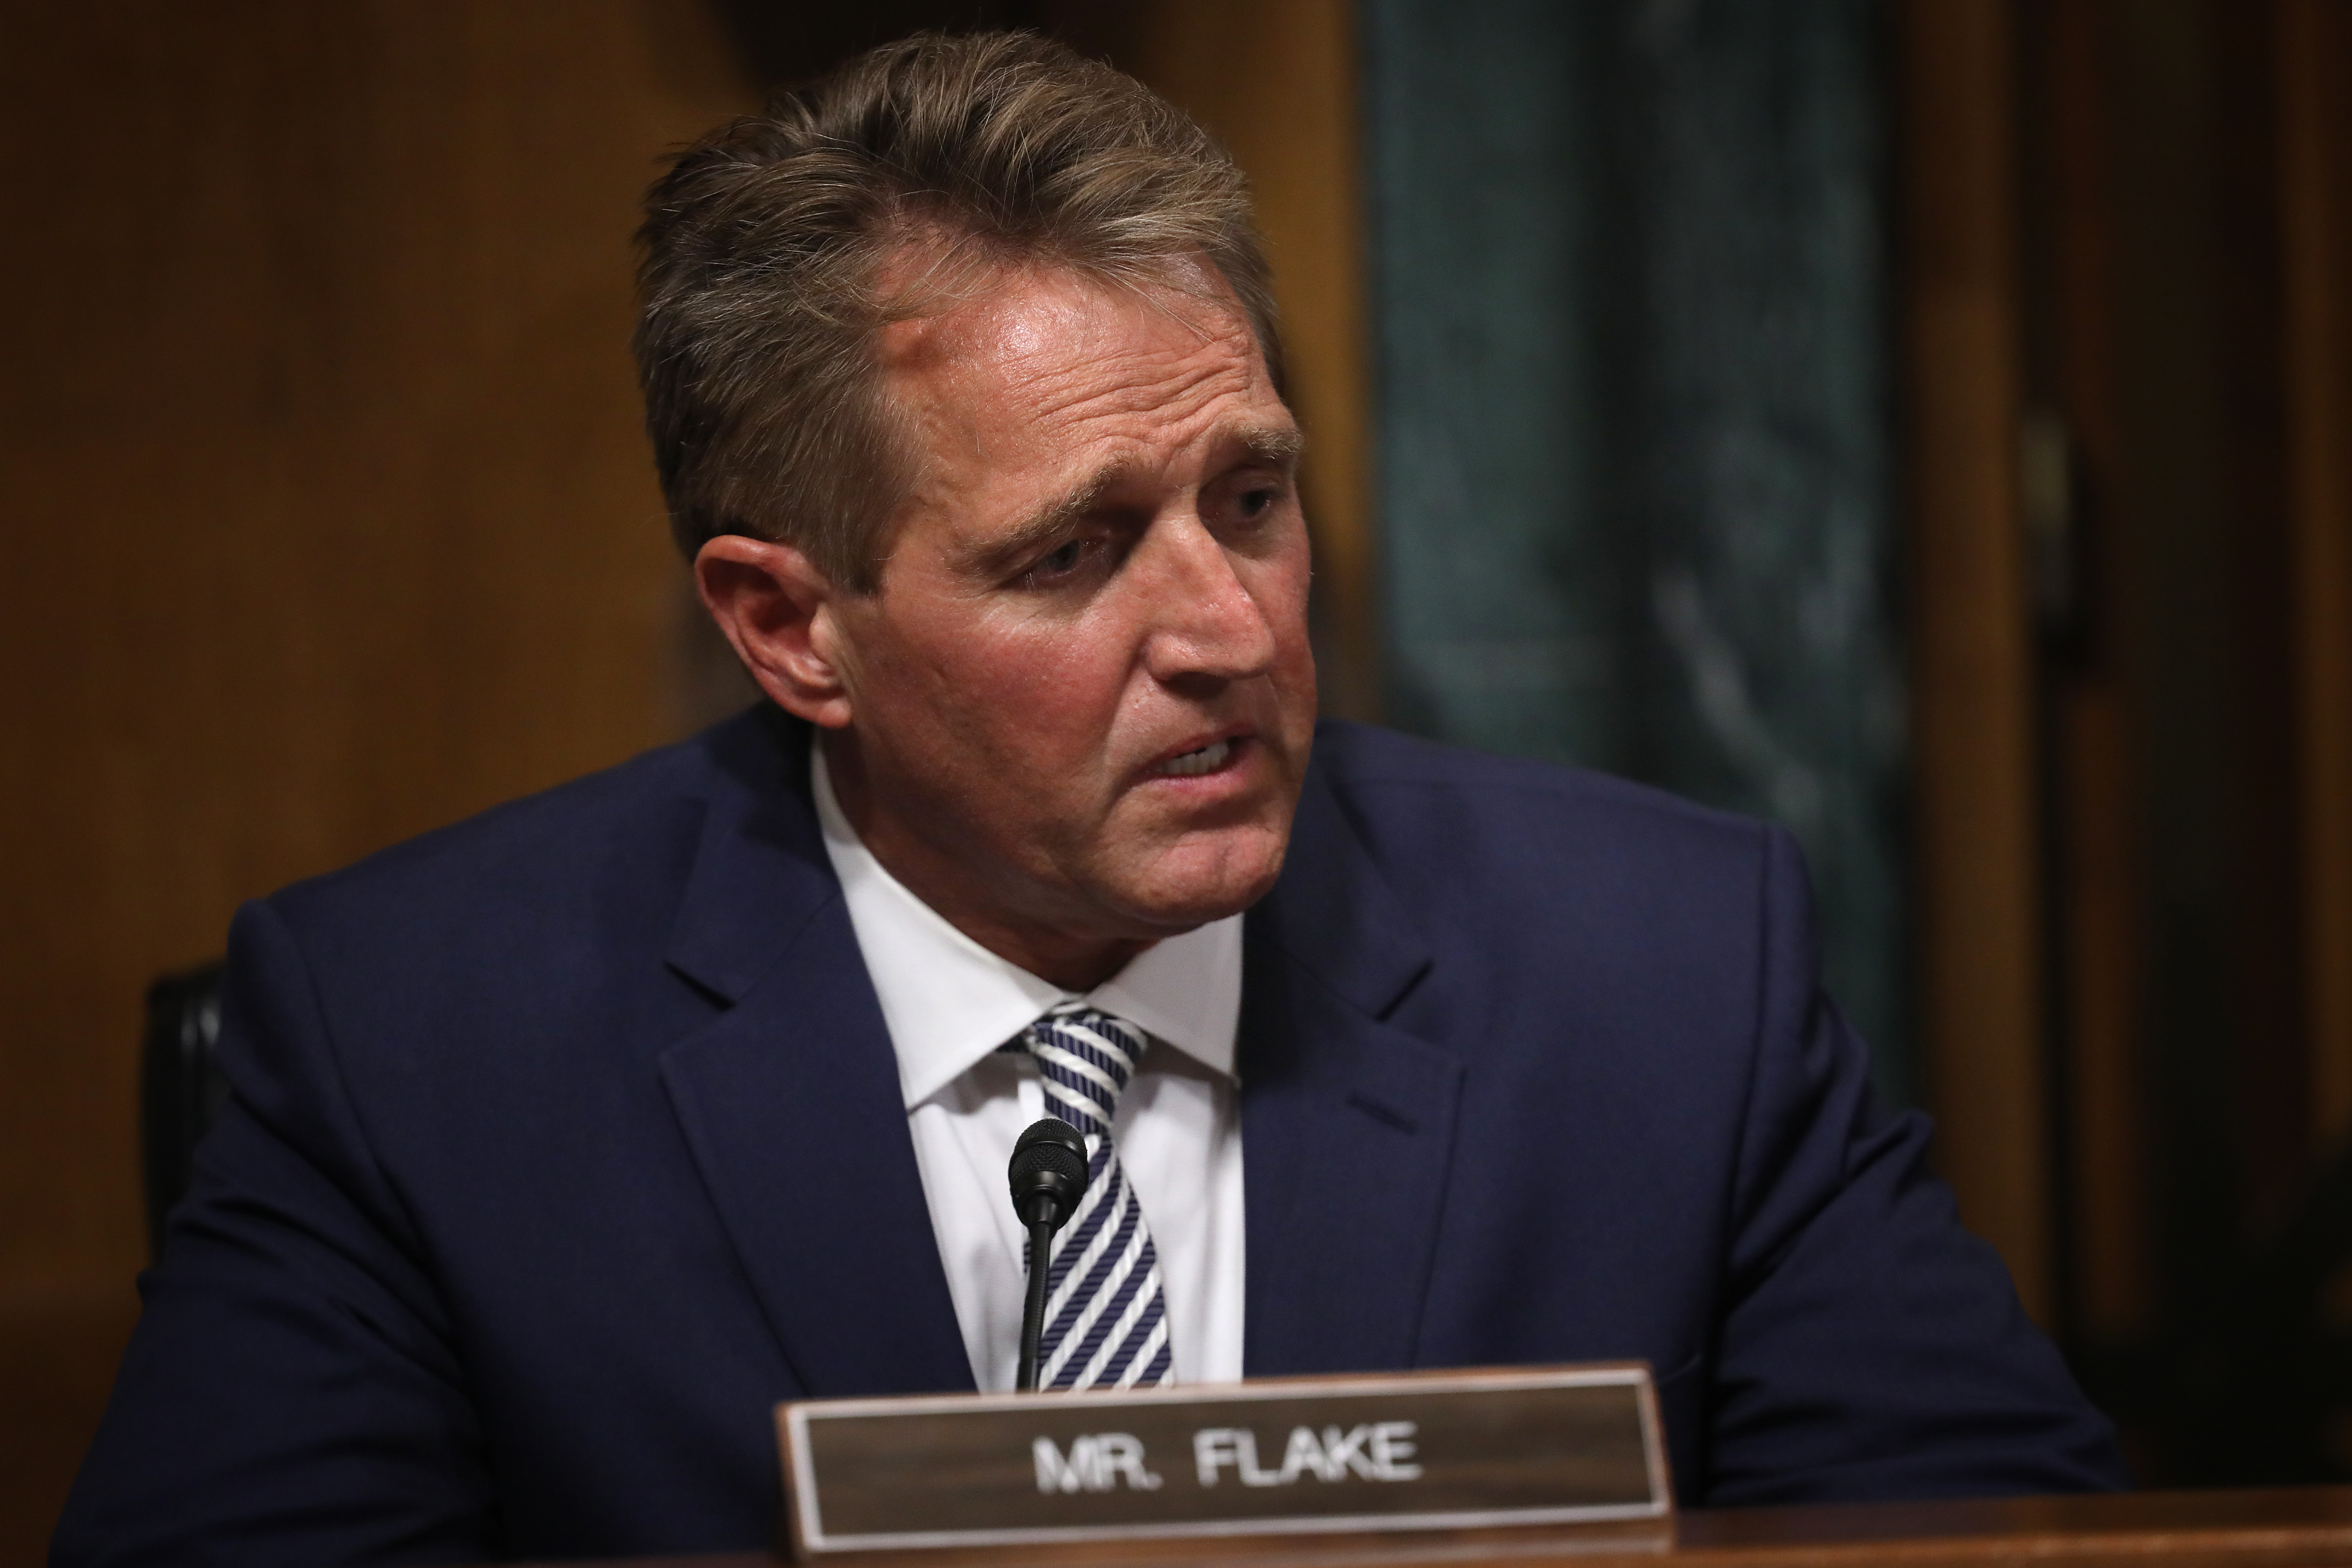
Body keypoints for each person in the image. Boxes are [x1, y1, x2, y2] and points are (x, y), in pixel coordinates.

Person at [53, 30, 2127, 1567]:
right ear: (795, 629)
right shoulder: (414, 1043)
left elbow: (1992, 1540)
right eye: (1073, 554)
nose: (1226, 625)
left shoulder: (1663, 970)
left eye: (1252, 498)